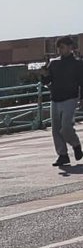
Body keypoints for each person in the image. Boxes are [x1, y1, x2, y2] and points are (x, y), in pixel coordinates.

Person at [41, 37, 83, 168]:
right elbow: (47, 81)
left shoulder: (77, 64)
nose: (60, 50)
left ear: (71, 47)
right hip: (55, 98)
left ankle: (76, 144)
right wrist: (44, 75)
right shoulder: (54, 63)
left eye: (63, 47)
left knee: (65, 127)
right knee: (56, 129)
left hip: (70, 98)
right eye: (58, 47)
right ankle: (62, 155)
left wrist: (82, 99)